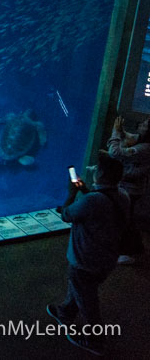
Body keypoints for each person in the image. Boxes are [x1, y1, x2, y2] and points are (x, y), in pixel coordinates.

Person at [48, 152, 128, 356]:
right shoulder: (123, 195)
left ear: (101, 175)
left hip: (85, 259)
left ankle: (95, 341)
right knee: (82, 289)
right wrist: (84, 189)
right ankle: (65, 312)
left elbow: (67, 214)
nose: (93, 169)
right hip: (107, 258)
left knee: (87, 301)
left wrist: (71, 194)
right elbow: (102, 205)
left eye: (97, 169)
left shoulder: (92, 201)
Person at [107, 115, 150, 264]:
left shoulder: (144, 148)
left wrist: (115, 132)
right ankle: (136, 247)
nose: (140, 125)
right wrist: (121, 132)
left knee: (124, 219)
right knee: (128, 218)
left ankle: (126, 252)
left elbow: (115, 153)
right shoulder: (142, 140)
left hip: (131, 189)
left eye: (144, 125)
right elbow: (130, 136)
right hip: (131, 187)